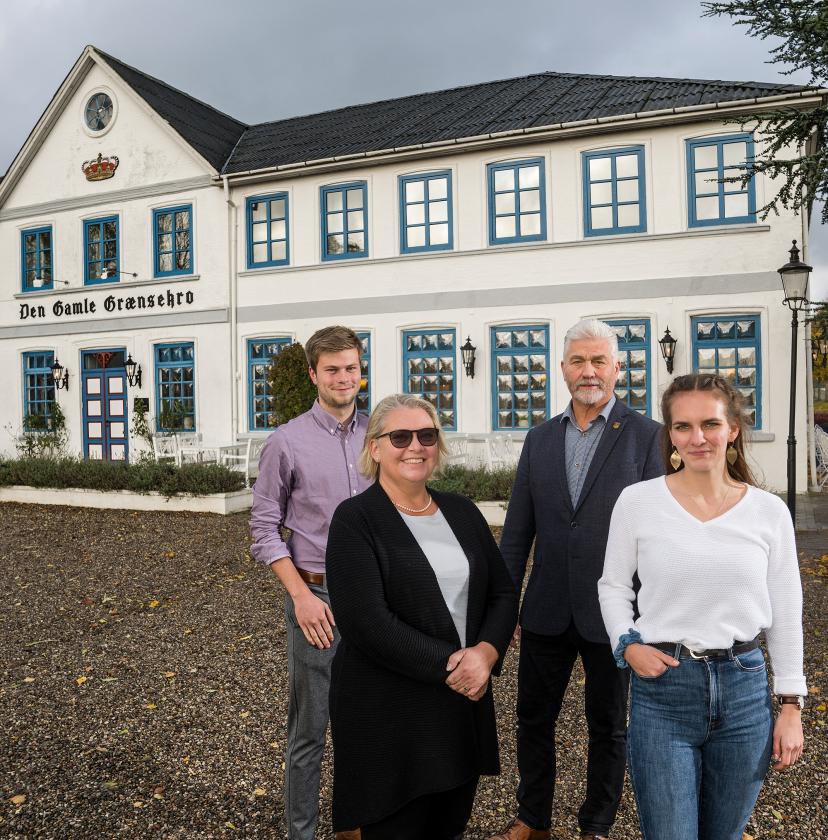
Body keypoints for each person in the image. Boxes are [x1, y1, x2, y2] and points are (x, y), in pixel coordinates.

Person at [598, 373, 806, 840]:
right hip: (664, 690)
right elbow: (612, 586)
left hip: (745, 690)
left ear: (732, 428)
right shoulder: (638, 502)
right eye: (683, 426)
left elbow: (787, 609)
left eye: (710, 424)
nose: (698, 438)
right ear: (669, 435)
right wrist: (626, 644)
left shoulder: (768, 512)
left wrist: (790, 705)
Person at [489, 319, 663, 840]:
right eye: (578, 361)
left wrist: (647, 616)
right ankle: (533, 818)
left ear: (618, 368)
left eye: (599, 361)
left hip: (615, 616)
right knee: (532, 721)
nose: (589, 371)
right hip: (544, 608)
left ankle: (597, 825)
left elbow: (659, 535)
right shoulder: (540, 439)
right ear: (563, 369)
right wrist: (503, 611)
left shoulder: (646, 436)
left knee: (608, 726)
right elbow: (517, 532)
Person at [325, 393, 518, 840]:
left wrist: (486, 655)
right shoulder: (355, 519)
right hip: (388, 714)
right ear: (375, 448)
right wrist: (456, 665)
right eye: (400, 436)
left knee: (447, 826)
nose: (415, 446)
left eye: (426, 435)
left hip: (457, 709)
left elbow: (503, 593)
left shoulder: (463, 512)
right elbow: (365, 621)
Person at [249, 325, 372, 840]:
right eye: (332, 370)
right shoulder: (286, 441)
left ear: (360, 370)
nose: (343, 378)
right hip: (316, 595)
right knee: (311, 730)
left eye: (351, 368)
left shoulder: (380, 434)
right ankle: (301, 832)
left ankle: (356, 824)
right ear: (313, 375)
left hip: (373, 597)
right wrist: (299, 596)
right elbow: (262, 526)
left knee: (367, 723)